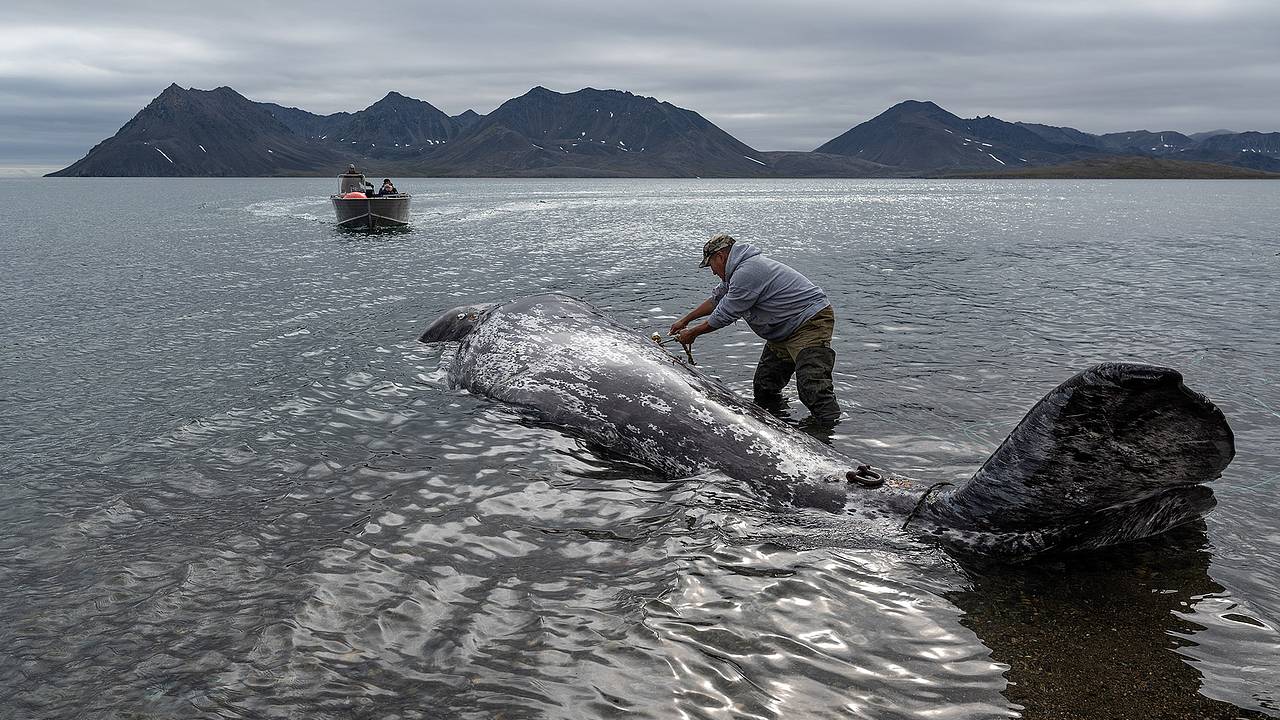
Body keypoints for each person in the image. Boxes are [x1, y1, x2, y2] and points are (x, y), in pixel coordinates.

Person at [671, 233, 840, 424]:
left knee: (813, 387)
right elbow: (717, 300)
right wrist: (685, 320)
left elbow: (725, 314)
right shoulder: (736, 274)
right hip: (782, 331)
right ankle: (776, 425)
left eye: (710, 265)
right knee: (764, 386)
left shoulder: (748, 272)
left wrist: (693, 333)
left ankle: (828, 435)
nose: (712, 272)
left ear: (720, 257)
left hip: (808, 323)